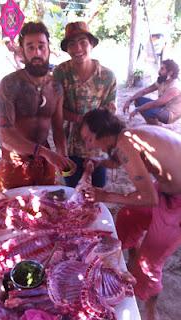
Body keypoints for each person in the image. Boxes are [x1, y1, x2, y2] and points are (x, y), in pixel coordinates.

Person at [80, 108, 181, 320]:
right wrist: (99, 163)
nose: (88, 146)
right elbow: (121, 161)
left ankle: (150, 312)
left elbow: (149, 198)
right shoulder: (126, 136)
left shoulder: (125, 144)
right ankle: (131, 253)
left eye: (89, 139)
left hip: (176, 201)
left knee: (149, 264)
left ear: (102, 133)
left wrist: (106, 195)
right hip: (164, 187)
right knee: (128, 216)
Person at [0, 21, 76, 193]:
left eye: (41, 46)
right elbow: (6, 133)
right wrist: (46, 153)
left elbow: (58, 129)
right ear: (22, 51)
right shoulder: (10, 84)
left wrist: (62, 156)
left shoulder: (56, 87)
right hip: (14, 160)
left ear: (49, 49)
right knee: (11, 211)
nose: (37, 52)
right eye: (30, 47)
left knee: (45, 208)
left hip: (45, 161)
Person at [53, 21, 117, 188]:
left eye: (83, 42)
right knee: (72, 191)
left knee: (96, 191)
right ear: (67, 49)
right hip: (70, 145)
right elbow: (56, 109)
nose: (77, 48)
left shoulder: (107, 77)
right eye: (72, 44)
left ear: (91, 44)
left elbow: (109, 114)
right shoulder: (60, 73)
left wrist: (97, 144)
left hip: (98, 146)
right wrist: (78, 119)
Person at [124, 59, 181, 125]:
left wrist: (137, 110)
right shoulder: (162, 80)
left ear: (170, 72)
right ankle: (153, 125)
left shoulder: (174, 87)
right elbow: (144, 91)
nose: (159, 71)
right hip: (162, 107)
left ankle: (157, 128)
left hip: (171, 114)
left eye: (162, 69)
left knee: (147, 110)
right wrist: (129, 100)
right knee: (137, 100)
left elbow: (156, 103)